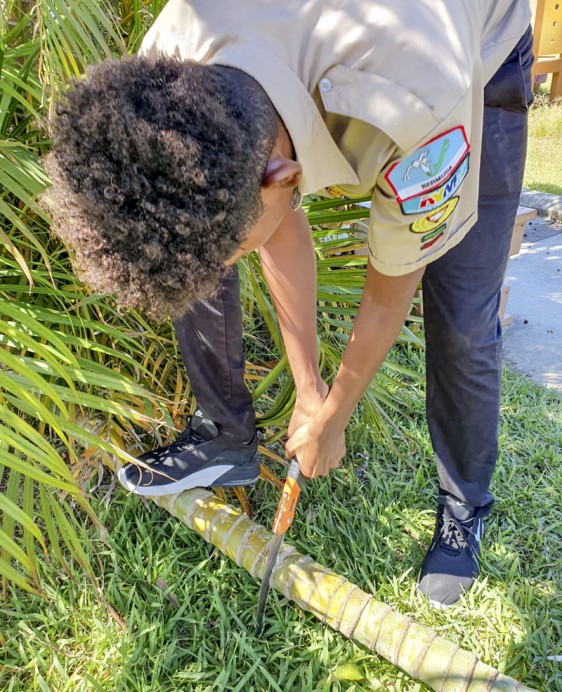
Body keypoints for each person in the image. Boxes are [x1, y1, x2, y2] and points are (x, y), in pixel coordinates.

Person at [43, 0, 534, 608]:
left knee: (462, 316)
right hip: (311, 85)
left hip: (474, 52)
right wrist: (308, 388)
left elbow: (390, 290)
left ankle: (464, 503)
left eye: (238, 250)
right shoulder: (167, 73)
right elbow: (274, 216)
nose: (231, 266)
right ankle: (226, 438)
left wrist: (334, 418)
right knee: (200, 239)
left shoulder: (421, 104)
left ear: (282, 175)